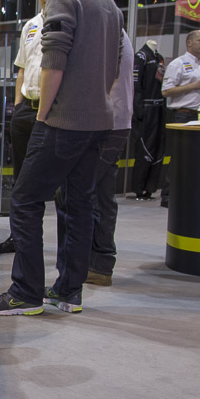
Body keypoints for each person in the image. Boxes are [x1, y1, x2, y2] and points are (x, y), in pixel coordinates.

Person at [0, 0, 122, 316]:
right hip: (99, 121)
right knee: (78, 203)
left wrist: (42, 115)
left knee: (25, 200)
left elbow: (53, 62)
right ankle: (67, 292)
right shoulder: (108, 2)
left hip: (62, 120)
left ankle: (25, 292)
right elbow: (116, 66)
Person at [0, 0, 52, 254]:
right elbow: (22, 69)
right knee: (20, 180)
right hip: (26, 109)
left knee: (56, 186)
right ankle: (18, 238)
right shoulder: (30, 26)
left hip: (54, 113)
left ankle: (61, 252)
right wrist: (16, 107)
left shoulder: (67, 22)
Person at [80, 29, 134, 286]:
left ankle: (91, 263)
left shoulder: (107, 31)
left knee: (84, 193)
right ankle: (99, 264)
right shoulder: (116, 30)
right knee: (101, 194)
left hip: (105, 121)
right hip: (114, 120)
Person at [159, 30, 200, 207]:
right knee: (178, 157)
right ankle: (168, 197)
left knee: (198, 158)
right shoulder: (178, 64)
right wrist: (193, 86)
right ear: (189, 43)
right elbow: (166, 91)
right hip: (183, 115)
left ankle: (192, 194)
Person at [130, 40, 165, 200]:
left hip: (159, 107)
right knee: (144, 147)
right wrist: (139, 109)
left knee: (157, 149)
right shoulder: (141, 56)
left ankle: (151, 186)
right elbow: (135, 84)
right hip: (145, 108)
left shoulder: (159, 57)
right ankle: (139, 187)